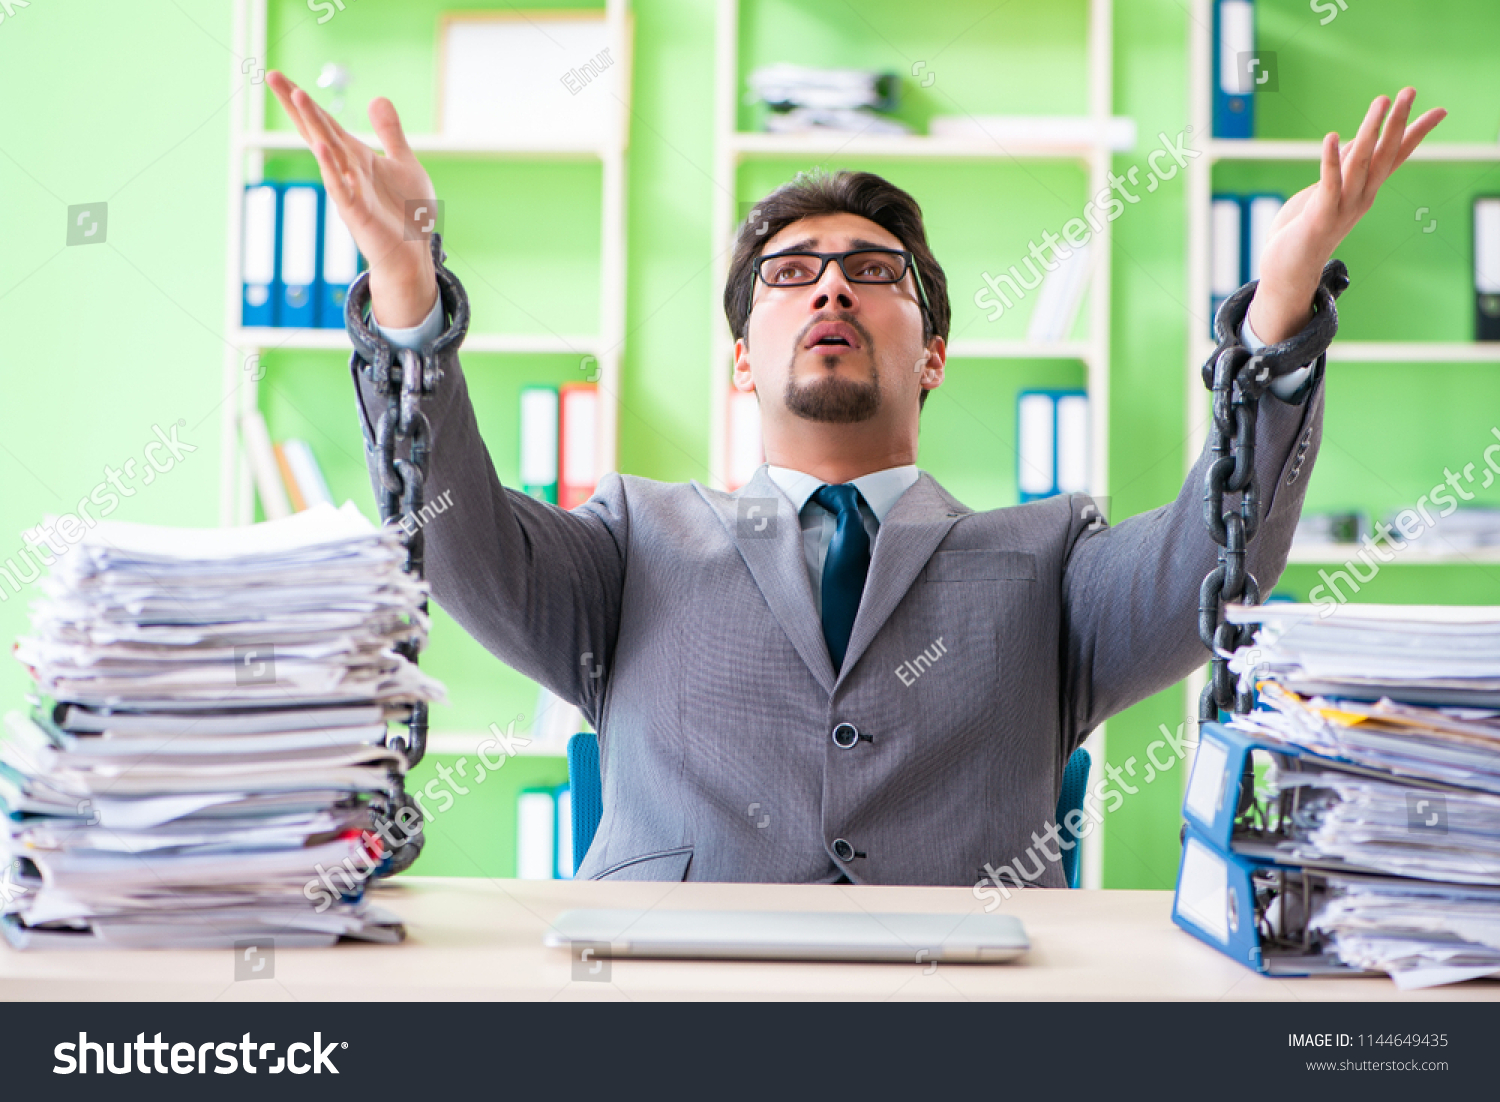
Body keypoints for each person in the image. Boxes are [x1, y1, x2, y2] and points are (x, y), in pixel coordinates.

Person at [266, 72, 1444, 886]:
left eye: (873, 270)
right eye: (791, 273)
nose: (830, 288)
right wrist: (407, 292)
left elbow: (1212, 556)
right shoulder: (631, 541)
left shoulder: (1052, 562)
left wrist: (1279, 308)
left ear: (932, 353)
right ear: (741, 359)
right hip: (664, 1016)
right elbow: (456, 538)